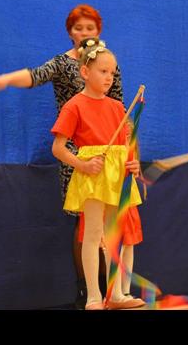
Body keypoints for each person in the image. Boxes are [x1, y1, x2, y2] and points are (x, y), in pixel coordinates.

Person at [0, 5, 132, 307]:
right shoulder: (64, 66)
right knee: (86, 227)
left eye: (90, 28)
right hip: (78, 155)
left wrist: (126, 156)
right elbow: (35, 75)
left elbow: (120, 114)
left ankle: (114, 290)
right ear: (70, 33)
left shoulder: (109, 66)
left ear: (99, 31)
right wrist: (5, 80)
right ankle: (88, 291)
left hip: (110, 159)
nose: (84, 33)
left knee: (114, 228)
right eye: (78, 28)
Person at [50, 42, 144, 310]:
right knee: (93, 235)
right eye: (103, 71)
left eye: (112, 73)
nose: (109, 77)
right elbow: (58, 148)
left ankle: (116, 294)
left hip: (117, 176)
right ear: (84, 72)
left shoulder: (117, 107)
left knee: (114, 236)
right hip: (94, 176)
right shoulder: (74, 106)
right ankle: (93, 296)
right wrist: (82, 164)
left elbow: (126, 145)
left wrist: (133, 163)